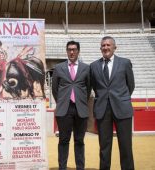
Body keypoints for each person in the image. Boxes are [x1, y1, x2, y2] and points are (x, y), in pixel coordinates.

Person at [90, 36, 135, 170]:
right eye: (103, 45)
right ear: (100, 48)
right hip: (102, 109)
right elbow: (93, 86)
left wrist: (121, 98)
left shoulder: (125, 63)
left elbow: (130, 85)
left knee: (126, 145)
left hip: (122, 108)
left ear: (115, 47)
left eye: (108, 45)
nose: (106, 47)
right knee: (104, 146)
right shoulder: (93, 66)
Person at [52, 41, 91, 170]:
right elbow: (54, 89)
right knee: (63, 140)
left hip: (80, 108)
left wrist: (81, 101)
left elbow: (88, 87)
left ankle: (80, 167)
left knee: (79, 141)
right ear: (66, 51)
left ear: (78, 51)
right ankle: (62, 167)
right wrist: (63, 101)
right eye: (69, 49)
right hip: (65, 109)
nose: (72, 52)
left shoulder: (86, 68)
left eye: (74, 49)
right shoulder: (58, 68)